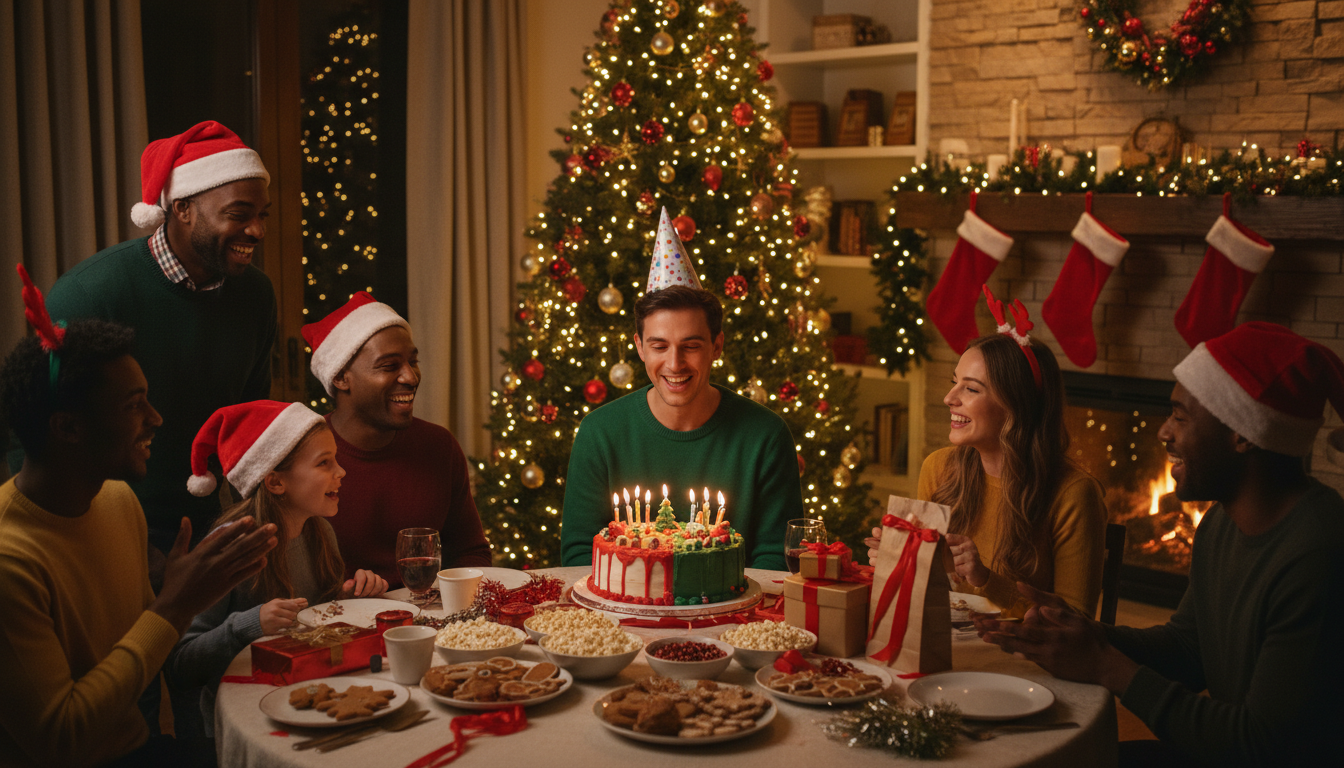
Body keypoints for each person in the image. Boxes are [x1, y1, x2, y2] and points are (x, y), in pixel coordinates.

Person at [975, 322, 1344, 766]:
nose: (1164, 432)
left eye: (1181, 417)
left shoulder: (1319, 553)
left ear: (1244, 433)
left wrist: (1105, 666)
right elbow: (1190, 649)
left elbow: (1261, 744)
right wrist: (1087, 634)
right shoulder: (1219, 526)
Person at [0, 272, 277, 766]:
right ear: (67, 427)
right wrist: (173, 606)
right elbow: (61, 738)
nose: (156, 418)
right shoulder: (10, 561)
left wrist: (194, 596)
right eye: (134, 405)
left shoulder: (117, 501)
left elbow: (141, 653)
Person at [45, 120, 277, 561]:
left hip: (211, 530)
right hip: (102, 536)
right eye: (239, 214)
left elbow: (249, 420)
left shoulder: (255, 295)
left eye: (261, 215)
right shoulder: (92, 292)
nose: (257, 231)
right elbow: (37, 436)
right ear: (183, 208)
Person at [560, 210, 803, 569]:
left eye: (691, 345)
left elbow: (775, 560)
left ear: (716, 346)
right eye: (659, 346)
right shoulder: (599, 433)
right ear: (639, 347)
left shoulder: (765, 435)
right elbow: (580, 555)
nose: (675, 365)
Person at [866, 289, 1106, 618]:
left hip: (1024, 659)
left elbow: (1075, 622)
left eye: (971, 388)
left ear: (1016, 405)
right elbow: (925, 594)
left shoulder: (1074, 494)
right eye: (954, 383)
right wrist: (896, 563)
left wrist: (985, 579)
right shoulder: (938, 468)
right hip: (950, 647)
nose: (950, 398)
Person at [165, 400, 387, 733]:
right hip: (247, 720)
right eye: (325, 463)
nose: (340, 472)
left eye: (336, 460)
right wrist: (248, 625)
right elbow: (181, 664)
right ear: (275, 482)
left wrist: (350, 595)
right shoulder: (228, 548)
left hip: (305, 697)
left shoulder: (319, 531)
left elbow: (313, 620)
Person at [301, 292, 492, 585]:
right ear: (340, 377)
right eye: (389, 366)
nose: (411, 377)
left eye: (412, 362)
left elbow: (471, 553)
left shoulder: (439, 447)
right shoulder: (302, 457)